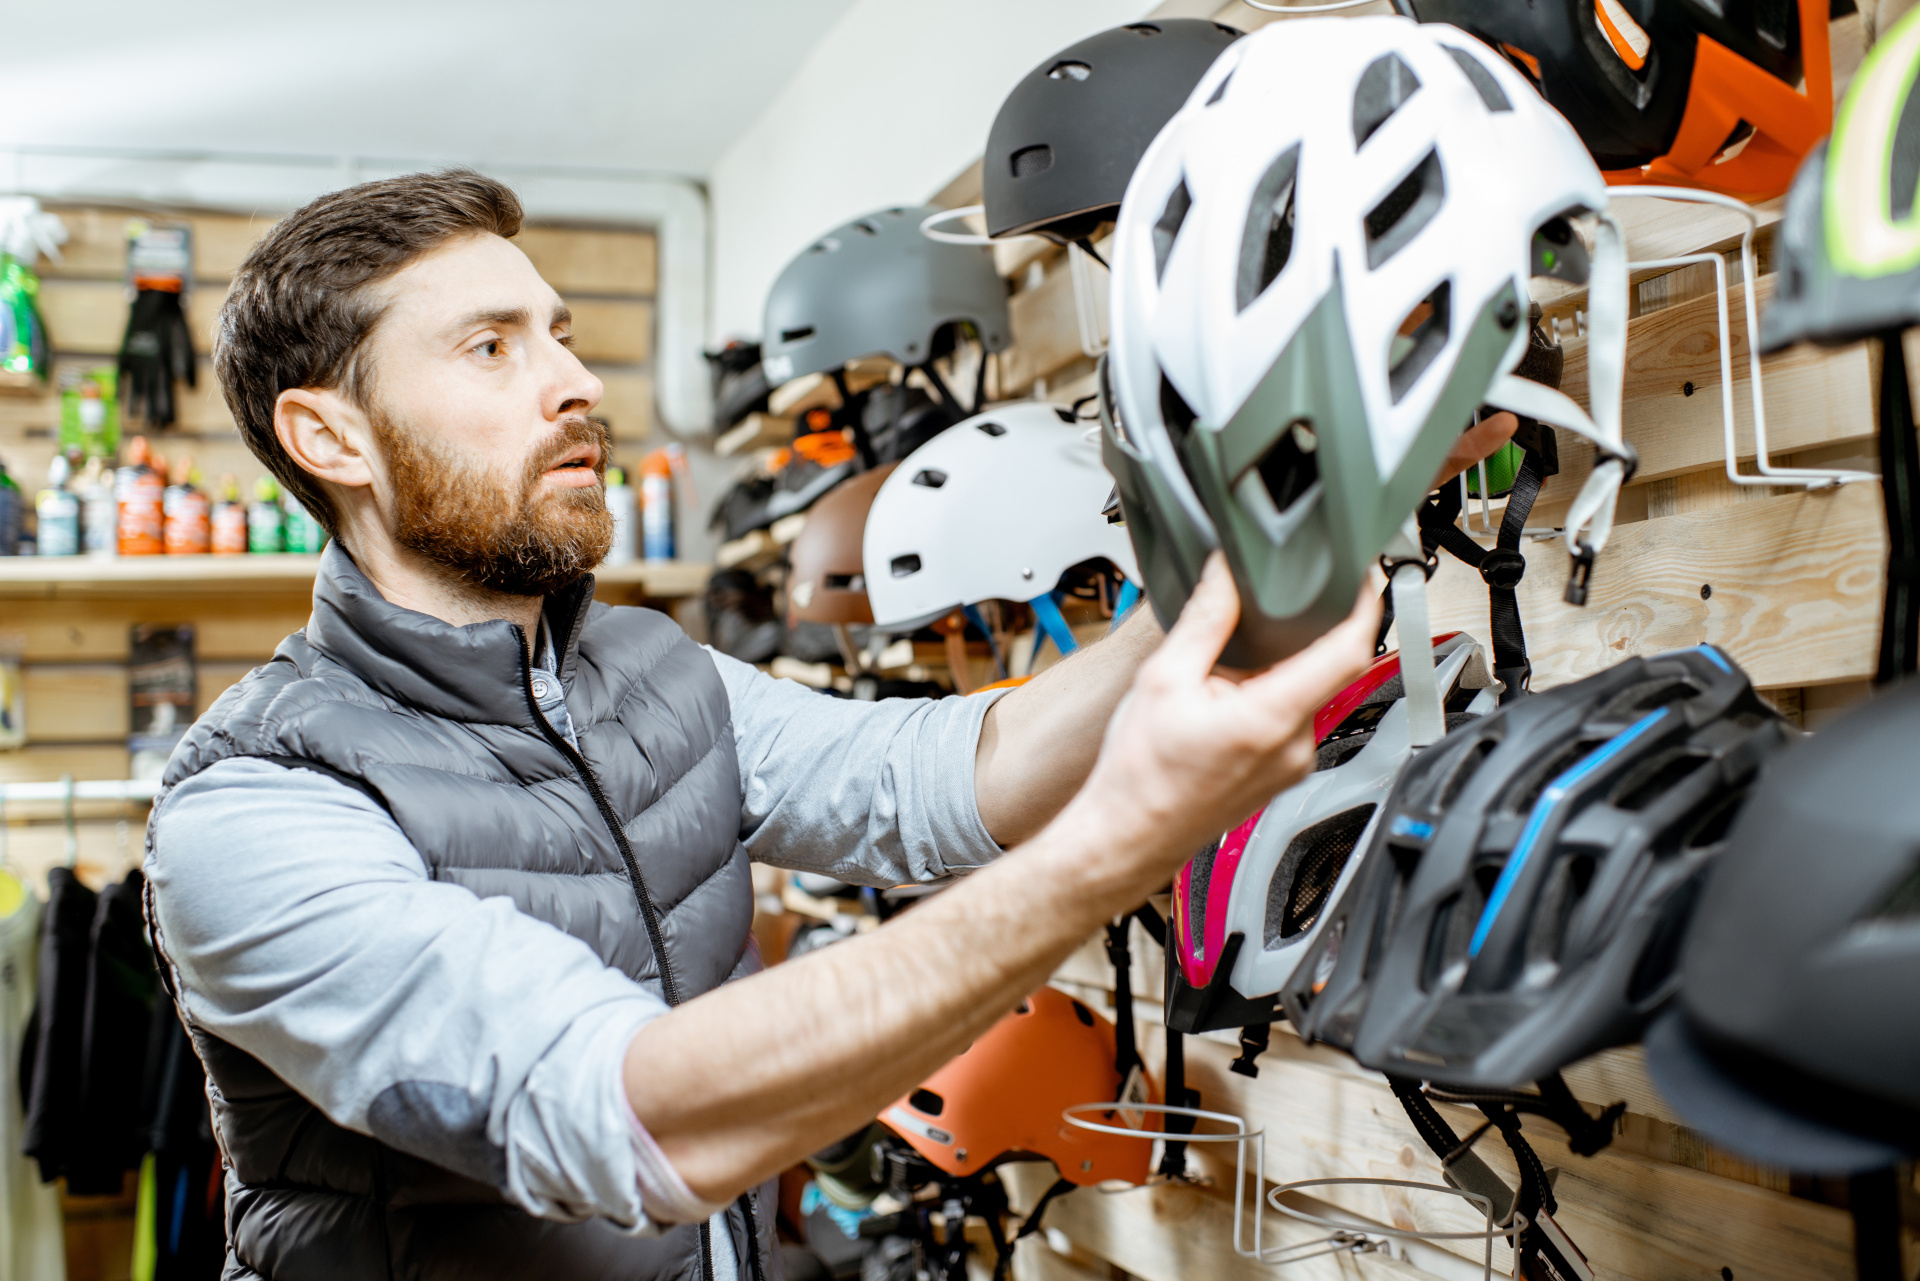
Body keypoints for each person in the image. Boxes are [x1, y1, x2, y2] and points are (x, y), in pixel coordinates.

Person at [145, 170, 1494, 1279]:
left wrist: (1234, 573)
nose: (574, 382)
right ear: (330, 438)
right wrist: (1119, 846)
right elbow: (627, 1110)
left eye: (560, 331)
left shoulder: (647, 670)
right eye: (493, 346)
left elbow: (932, 780)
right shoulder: (252, 811)